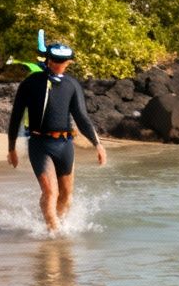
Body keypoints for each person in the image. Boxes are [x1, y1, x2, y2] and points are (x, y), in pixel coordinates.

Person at [6, 37, 106, 233]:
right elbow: (16, 116)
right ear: (48, 60)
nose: (59, 65)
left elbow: (82, 117)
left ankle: (54, 224)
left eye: (63, 62)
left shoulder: (72, 85)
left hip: (65, 144)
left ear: (68, 62)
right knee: (51, 192)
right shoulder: (30, 84)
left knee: (66, 195)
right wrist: (11, 149)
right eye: (55, 61)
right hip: (40, 144)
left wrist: (97, 144)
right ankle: (54, 235)